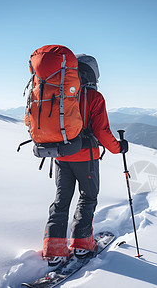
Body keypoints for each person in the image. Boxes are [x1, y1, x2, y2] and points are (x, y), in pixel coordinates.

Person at [42, 53, 128, 266]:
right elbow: (102, 131)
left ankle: (54, 250)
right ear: (92, 73)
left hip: (60, 155)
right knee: (88, 197)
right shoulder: (94, 97)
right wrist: (119, 148)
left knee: (61, 201)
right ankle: (81, 245)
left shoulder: (58, 94)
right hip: (86, 158)